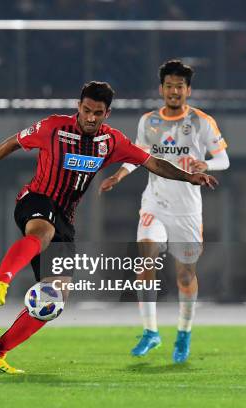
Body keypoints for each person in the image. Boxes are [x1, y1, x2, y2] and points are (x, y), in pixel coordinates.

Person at [0, 81, 218, 374]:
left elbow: (152, 163)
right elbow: (13, 141)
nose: (91, 117)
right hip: (37, 199)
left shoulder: (112, 141)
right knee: (42, 232)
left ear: (107, 113)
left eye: (98, 113)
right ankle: (2, 281)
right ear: (78, 107)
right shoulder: (53, 127)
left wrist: (188, 177)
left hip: (66, 218)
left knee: (55, 298)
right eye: (87, 110)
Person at [100, 60, 230, 364]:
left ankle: (183, 333)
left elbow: (223, 158)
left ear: (187, 90)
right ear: (162, 89)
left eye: (179, 86)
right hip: (155, 203)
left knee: (185, 275)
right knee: (146, 258)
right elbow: (138, 157)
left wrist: (206, 164)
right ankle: (150, 331)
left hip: (187, 210)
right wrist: (119, 175)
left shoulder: (202, 121)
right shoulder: (148, 122)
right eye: (169, 86)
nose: (174, 91)